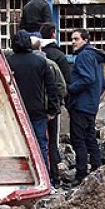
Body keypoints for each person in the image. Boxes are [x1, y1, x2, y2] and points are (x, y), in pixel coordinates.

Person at [6, 30, 60, 175]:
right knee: (41, 145)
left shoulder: (8, 62)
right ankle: (46, 178)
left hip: (15, 111)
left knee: (18, 146)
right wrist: (52, 110)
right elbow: (51, 87)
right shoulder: (40, 61)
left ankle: (21, 178)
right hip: (37, 110)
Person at [66, 28, 105, 185]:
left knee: (78, 140)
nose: (73, 42)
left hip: (80, 104)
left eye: (76, 39)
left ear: (85, 40)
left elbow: (87, 78)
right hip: (91, 104)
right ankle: (97, 170)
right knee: (90, 138)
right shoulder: (95, 57)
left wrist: (71, 89)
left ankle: (81, 174)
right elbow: (101, 84)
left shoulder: (83, 56)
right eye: (72, 39)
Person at [32, 36, 67, 184]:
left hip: (34, 110)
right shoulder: (51, 64)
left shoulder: (27, 64)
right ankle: (53, 177)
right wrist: (55, 105)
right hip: (50, 110)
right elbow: (61, 88)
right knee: (52, 142)